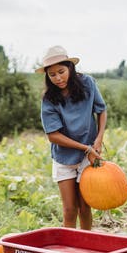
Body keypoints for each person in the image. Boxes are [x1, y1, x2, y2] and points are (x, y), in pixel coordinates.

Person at [35, 45, 107, 230]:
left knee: (85, 207)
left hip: (88, 155)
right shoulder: (49, 99)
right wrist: (86, 148)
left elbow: (101, 110)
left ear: (70, 68)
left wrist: (98, 141)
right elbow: (53, 136)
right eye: (52, 74)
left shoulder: (88, 84)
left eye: (61, 71)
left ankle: (86, 250)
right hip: (64, 157)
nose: (58, 78)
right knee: (69, 210)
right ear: (47, 76)